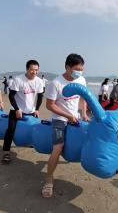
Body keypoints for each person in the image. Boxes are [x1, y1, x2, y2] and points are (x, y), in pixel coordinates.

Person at [42, 53, 89, 198]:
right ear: (67, 67)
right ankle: (48, 179)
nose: (79, 72)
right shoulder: (56, 83)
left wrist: (85, 114)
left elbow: (82, 98)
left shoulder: (81, 80)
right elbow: (50, 105)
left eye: (81, 69)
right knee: (58, 147)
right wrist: (68, 116)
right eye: (76, 69)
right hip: (60, 119)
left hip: (76, 117)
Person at [1, 60, 44, 163]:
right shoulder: (18, 79)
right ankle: (6, 152)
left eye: (36, 70)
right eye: (32, 70)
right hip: (16, 109)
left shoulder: (39, 81)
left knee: (36, 128)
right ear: (27, 69)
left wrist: (37, 109)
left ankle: (29, 142)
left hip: (31, 110)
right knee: (11, 129)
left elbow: (40, 96)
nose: (34, 72)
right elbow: (11, 95)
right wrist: (17, 109)